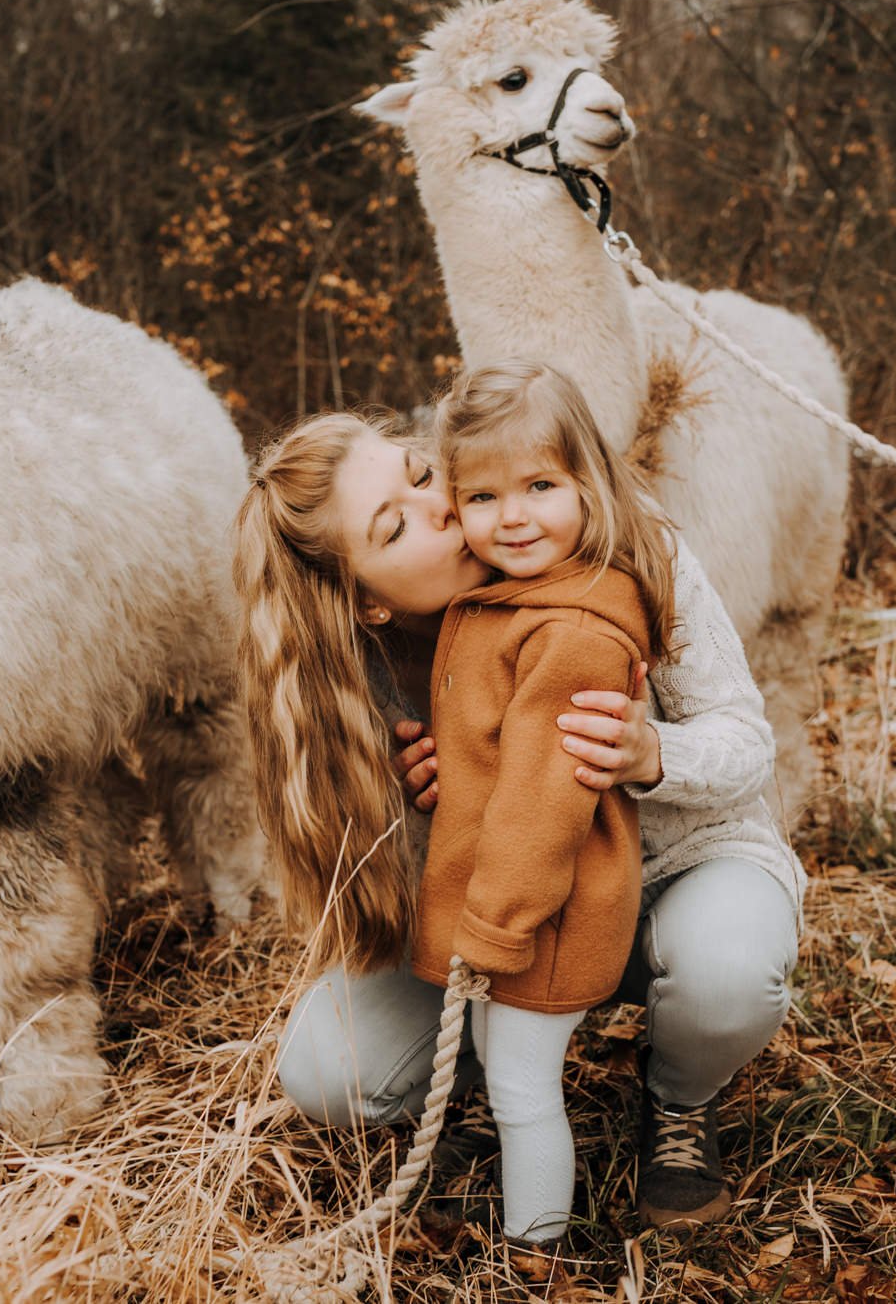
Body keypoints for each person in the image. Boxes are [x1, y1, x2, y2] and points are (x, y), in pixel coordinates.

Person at [233, 377, 804, 1233]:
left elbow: (748, 741)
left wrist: (654, 754)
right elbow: (386, 879)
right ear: (366, 598)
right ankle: (480, 1089)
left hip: (676, 869)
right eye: (393, 525)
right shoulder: (362, 672)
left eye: (423, 474)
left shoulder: (617, 549)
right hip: (504, 920)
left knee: (728, 971)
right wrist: (415, 811)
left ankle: (679, 1097)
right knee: (327, 1069)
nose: (447, 508)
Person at [407, 361, 674, 1243]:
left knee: (521, 1089)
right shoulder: (512, 600)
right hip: (508, 909)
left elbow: (542, 804)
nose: (512, 516)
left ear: (588, 484)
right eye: (481, 496)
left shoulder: (572, 629)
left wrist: (493, 926)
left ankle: (537, 1250)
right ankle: (529, 1229)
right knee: (506, 1071)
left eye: (539, 486)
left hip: (538, 916)